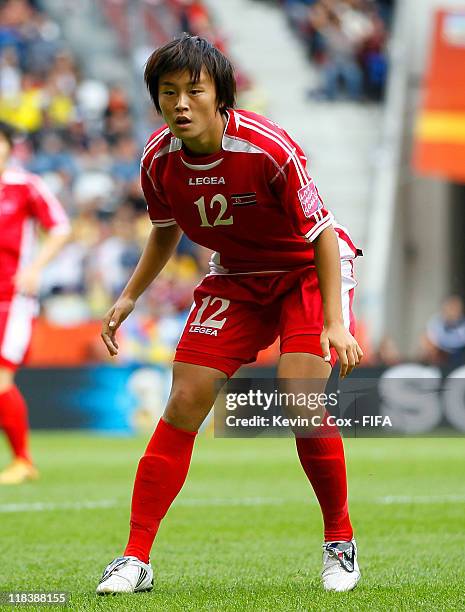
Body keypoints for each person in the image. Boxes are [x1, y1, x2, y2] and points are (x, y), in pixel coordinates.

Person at [96, 34, 363, 595]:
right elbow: (166, 229)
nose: (180, 104)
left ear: (222, 97)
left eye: (194, 90)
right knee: (186, 396)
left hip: (308, 272)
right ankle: (134, 559)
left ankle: (340, 540)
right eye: (168, 93)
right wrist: (129, 295)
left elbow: (320, 235)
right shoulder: (156, 159)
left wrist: (335, 321)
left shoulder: (268, 146)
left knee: (301, 399)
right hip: (237, 277)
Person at [0, 121, 70, 484]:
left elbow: (59, 228)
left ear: (10, 147)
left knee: (1, 377)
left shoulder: (25, 186)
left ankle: (23, 461)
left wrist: (35, 268)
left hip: (11, 298)